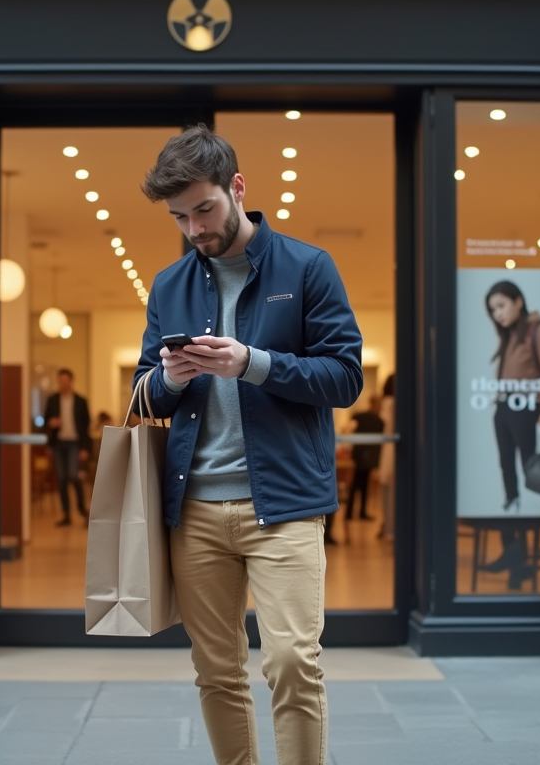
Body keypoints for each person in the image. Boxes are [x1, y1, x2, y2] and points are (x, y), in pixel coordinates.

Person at [135, 124, 363, 765]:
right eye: (179, 217)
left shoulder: (308, 267)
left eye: (203, 209)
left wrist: (253, 363)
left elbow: (345, 377)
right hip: (195, 511)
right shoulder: (169, 283)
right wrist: (169, 379)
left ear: (237, 188)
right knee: (217, 671)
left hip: (285, 504)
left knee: (292, 661)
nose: (194, 229)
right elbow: (142, 394)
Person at [479, 281, 540, 590]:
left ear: (518, 301)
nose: (497, 314)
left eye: (501, 306)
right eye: (492, 310)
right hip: (505, 407)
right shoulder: (511, 334)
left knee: (527, 477)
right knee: (507, 478)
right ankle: (511, 551)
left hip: (526, 408)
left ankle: (520, 560)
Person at [44, 368, 91, 526]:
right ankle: (66, 514)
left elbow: (86, 426)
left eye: (66, 380)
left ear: (71, 381)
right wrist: (51, 423)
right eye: (60, 380)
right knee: (62, 479)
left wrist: (85, 448)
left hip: (74, 443)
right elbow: (46, 421)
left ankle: (82, 510)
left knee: (73, 476)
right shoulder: (52, 400)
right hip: (58, 443)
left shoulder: (80, 401)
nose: (63, 383)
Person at [346, 396, 384, 520]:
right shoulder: (379, 421)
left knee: (357, 485)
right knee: (361, 485)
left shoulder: (359, 416)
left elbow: (350, 428)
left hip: (359, 455)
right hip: (369, 456)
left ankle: (351, 512)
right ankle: (359, 512)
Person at [377, 375, 397, 541]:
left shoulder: (387, 402)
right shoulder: (394, 402)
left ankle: (389, 528)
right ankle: (390, 527)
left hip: (389, 447)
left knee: (387, 489)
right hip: (391, 446)